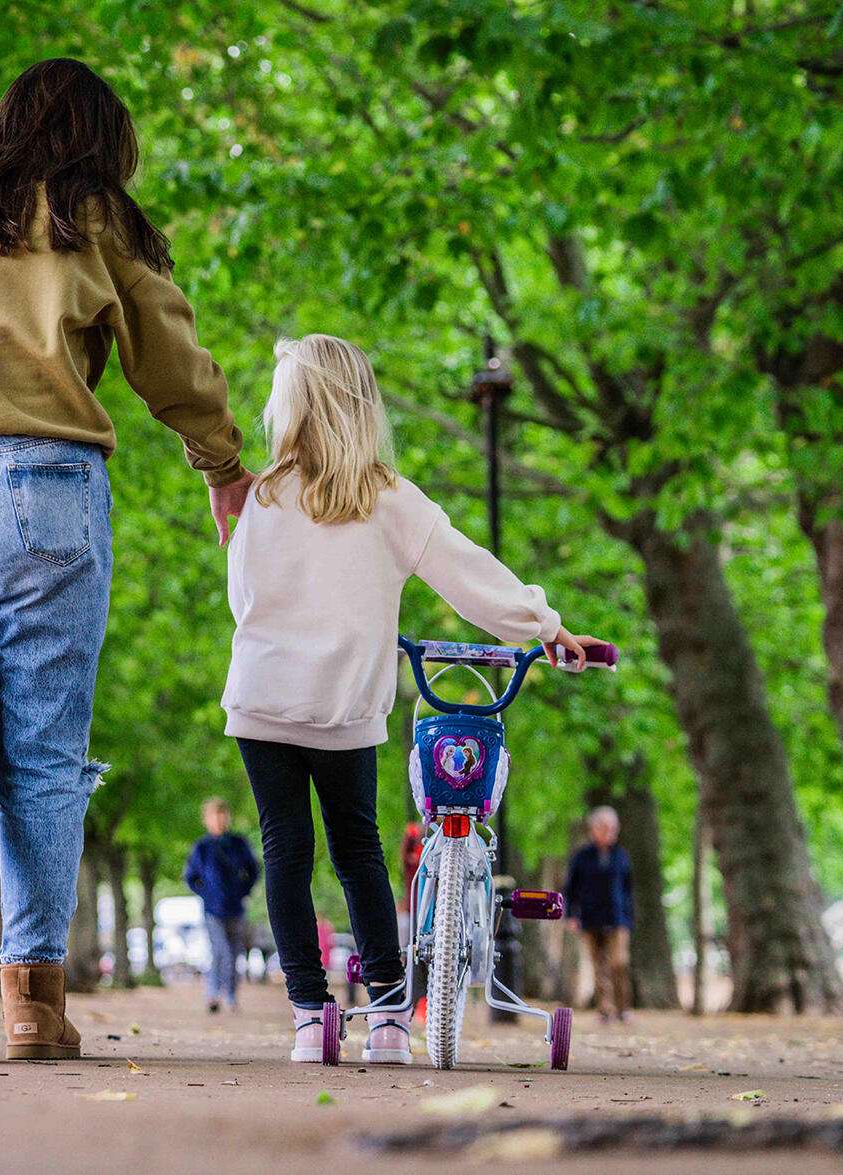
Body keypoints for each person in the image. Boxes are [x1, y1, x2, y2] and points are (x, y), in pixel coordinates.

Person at [0, 59, 254, 1062]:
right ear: (100, 140)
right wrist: (224, 462)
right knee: (47, 750)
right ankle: (33, 998)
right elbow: (167, 350)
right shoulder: (90, 211)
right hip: (47, 486)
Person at [220, 334, 607, 1064]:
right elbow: (471, 576)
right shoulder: (389, 497)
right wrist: (546, 627)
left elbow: (246, 601)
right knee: (359, 851)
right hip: (346, 706)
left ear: (294, 405)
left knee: (286, 848)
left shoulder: (264, 495)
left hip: (264, 698)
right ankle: (390, 1018)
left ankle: (310, 1016)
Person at [184, 798, 260, 1013]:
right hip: (212, 909)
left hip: (236, 907)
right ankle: (214, 993)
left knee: (235, 952)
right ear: (206, 820)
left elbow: (253, 870)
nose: (218, 819)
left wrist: (242, 891)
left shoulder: (238, 843)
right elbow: (191, 877)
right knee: (220, 951)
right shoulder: (202, 847)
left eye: (222, 814)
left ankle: (231, 995)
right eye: (213, 815)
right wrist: (206, 894)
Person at [564, 806, 635, 1024]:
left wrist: (629, 918)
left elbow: (628, 889)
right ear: (593, 829)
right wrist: (571, 916)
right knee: (598, 966)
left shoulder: (621, 856)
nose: (610, 832)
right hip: (590, 917)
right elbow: (570, 888)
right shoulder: (581, 857)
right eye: (605, 828)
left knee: (619, 963)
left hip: (617, 918)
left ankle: (623, 1007)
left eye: (613, 828)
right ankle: (605, 1009)